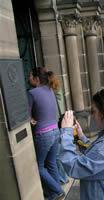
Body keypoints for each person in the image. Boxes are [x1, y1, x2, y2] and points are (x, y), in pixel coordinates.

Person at [28, 67, 64, 200]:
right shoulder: (50, 90)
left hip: (43, 134)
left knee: (39, 166)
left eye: (30, 76)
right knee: (52, 163)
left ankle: (58, 191)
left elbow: (26, 114)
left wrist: (31, 119)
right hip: (55, 131)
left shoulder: (32, 93)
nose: (28, 78)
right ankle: (55, 194)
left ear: (36, 79)